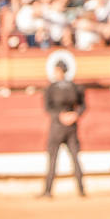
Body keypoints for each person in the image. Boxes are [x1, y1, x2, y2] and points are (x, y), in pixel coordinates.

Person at [42, 58, 86, 197]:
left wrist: (66, 116)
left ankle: (49, 191)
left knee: (57, 158)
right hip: (68, 125)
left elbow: (48, 108)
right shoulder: (74, 87)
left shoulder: (51, 88)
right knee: (72, 158)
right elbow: (82, 106)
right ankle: (80, 190)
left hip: (58, 126)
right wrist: (74, 115)